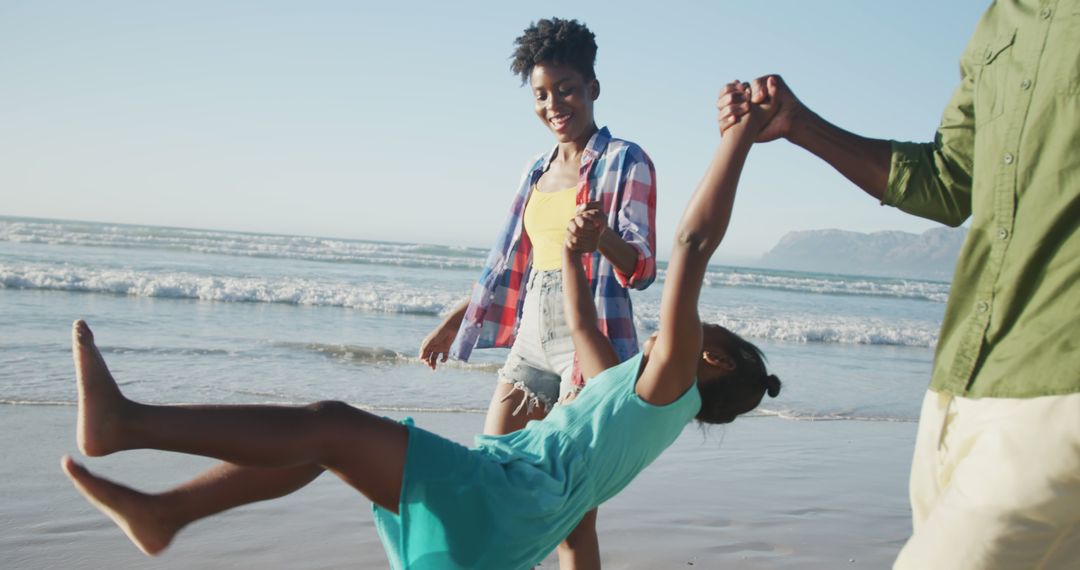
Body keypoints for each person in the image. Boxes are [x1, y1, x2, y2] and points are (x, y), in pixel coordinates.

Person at [61, 80, 780, 570]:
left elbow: (686, 248)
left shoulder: (671, 379)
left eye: (701, 333)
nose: (681, 332)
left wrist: (738, 139)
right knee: (328, 445)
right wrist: (570, 248)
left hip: (502, 499)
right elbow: (586, 326)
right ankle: (166, 513)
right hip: (508, 502)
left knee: (330, 425)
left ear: (711, 361)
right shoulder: (634, 389)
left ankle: (127, 425)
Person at [718, 2, 1080, 567]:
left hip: (1060, 379)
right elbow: (949, 182)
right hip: (962, 378)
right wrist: (799, 124)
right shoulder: (1000, 22)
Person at [418, 18, 658, 566]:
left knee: (571, 520)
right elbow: (514, 265)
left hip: (588, 343)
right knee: (492, 479)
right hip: (530, 339)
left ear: (593, 88)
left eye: (567, 89)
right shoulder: (536, 168)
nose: (554, 104)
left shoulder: (626, 160)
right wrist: (459, 317)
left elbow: (642, 267)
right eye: (541, 94)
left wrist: (604, 240)